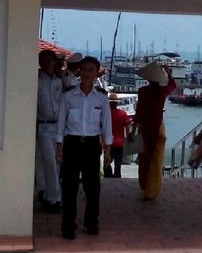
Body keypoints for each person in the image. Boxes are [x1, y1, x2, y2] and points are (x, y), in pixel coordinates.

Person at [56, 55, 112, 240]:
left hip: (91, 145)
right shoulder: (68, 96)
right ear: (79, 71)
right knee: (69, 187)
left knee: (92, 187)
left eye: (91, 70)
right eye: (84, 69)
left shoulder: (102, 99)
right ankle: (68, 225)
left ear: (97, 73)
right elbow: (61, 123)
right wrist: (59, 147)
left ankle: (91, 222)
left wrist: (108, 150)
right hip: (72, 143)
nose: (87, 73)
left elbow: (107, 126)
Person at [132, 61, 176, 201]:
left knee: (144, 159)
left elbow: (139, 112)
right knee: (156, 160)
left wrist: (133, 130)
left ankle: (145, 185)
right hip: (158, 128)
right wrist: (168, 73)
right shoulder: (162, 92)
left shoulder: (143, 91)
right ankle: (153, 189)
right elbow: (172, 85)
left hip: (144, 128)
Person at [35, 49, 62, 213]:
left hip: (57, 125)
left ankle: (47, 193)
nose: (47, 63)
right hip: (43, 125)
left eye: (49, 60)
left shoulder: (59, 82)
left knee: (56, 162)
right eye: (44, 60)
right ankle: (54, 198)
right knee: (50, 162)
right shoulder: (37, 81)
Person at [105, 93, 133, 178]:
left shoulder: (106, 114)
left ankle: (108, 177)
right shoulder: (123, 114)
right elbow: (127, 128)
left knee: (107, 163)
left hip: (108, 143)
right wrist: (129, 138)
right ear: (117, 103)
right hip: (119, 143)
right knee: (118, 165)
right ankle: (117, 178)